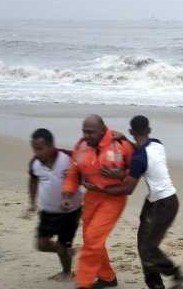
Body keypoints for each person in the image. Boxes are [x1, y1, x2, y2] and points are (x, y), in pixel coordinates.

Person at [83, 116, 183, 289]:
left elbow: (128, 189)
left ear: (132, 131)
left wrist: (99, 189)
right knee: (143, 245)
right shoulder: (157, 143)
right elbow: (141, 150)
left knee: (148, 248)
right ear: (149, 130)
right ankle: (155, 285)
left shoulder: (139, 159)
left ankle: (175, 273)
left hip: (163, 205)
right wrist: (124, 140)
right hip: (161, 201)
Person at [62, 115, 135, 289]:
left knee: (93, 238)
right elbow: (74, 170)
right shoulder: (81, 146)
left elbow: (137, 170)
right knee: (90, 238)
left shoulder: (121, 145)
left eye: (91, 132)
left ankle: (83, 282)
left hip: (114, 198)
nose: (87, 135)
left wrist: (123, 175)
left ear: (103, 130)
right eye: (84, 131)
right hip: (92, 196)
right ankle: (107, 278)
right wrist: (68, 192)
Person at [27, 128, 82, 282]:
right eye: (34, 148)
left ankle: (66, 272)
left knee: (63, 243)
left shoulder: (68, 158)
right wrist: (32, 202)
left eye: (40, 148)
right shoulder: (35, 163)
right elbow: (33, 180)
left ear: (51, 146)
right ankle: (66, 250)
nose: (36, 152)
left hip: (70, 211)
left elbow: (87, 171)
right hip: (47, 212)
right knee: (41, 244)